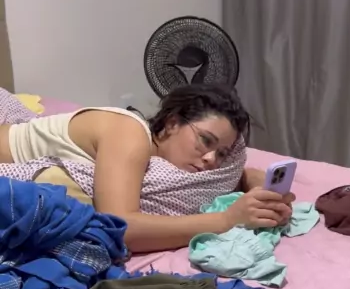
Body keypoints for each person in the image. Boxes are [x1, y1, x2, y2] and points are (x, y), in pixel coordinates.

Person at [0, 85, 293, 253]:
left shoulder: (167, 160)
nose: (211, 160)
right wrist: (227, 219)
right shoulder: (129, 133)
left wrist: (255, 182)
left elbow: (228, 176)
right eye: (205, 141)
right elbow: (119, 227)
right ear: (172, 123)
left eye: (222, 154)